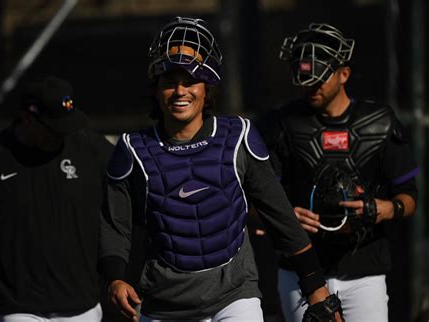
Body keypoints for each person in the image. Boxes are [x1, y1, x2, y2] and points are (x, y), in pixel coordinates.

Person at [99, 16, 342, 322]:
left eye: (190, 81)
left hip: (234, 298)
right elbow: (114, 225)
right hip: (164, 303)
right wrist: (115, 278)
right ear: (156, 88)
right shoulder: (133, 149)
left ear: (207, 86)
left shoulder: (238, 137)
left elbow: (279, 214)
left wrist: (315, 286)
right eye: (169, 82)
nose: (180, 91)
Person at [258, 23, 419, 322]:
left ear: (344, 74)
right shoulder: (282, 124)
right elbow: (257, 200)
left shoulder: (380, 123)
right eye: (305, 79)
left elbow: (409, 198)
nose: (311, 87)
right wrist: (283, 216)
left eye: (320, 79)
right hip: (300, 269)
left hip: (364, 272)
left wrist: (384, 208)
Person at [0, 76, 114, 322]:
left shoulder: (89, 145)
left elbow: (128, 199)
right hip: (18, 308)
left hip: (82, 307)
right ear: (29, 117)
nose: (62, 134)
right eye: (54, 127)